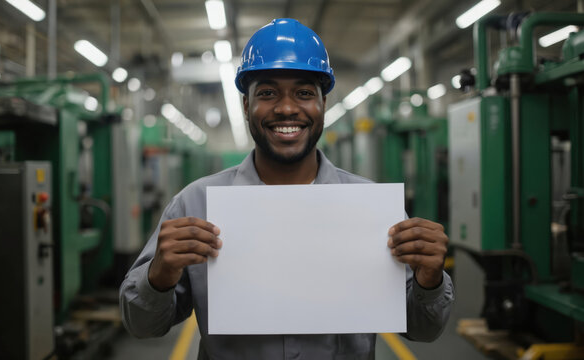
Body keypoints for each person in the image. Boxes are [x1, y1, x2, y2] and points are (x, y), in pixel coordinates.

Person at [120, 18, 454, 359]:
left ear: (323, 104)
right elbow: (142, 326)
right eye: (267, 93)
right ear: (246, 106)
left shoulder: (373, 210)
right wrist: (159, 275)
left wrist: (430, 279)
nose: (287, 108)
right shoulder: (195, 204)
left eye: (304, 93)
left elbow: (423, 330)